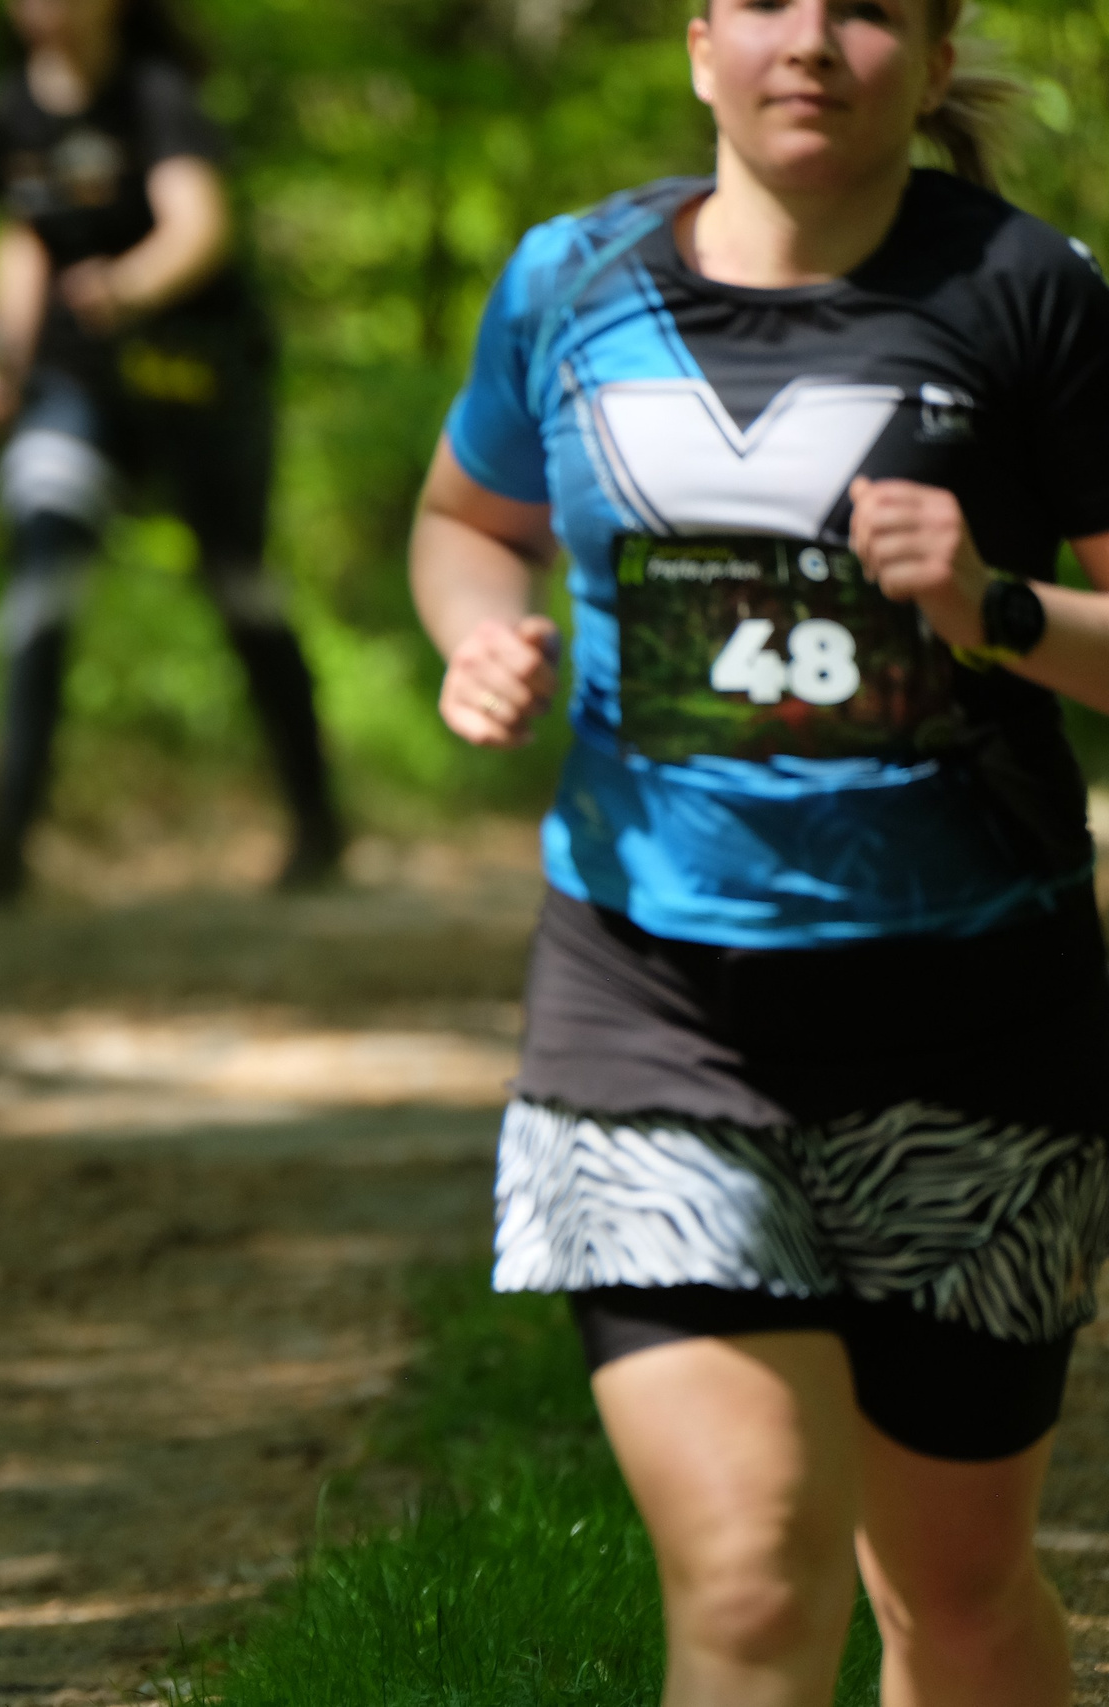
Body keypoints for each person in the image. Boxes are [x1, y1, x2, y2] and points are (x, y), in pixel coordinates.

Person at [413, 0, 1109, 1694]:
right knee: (742, 1579)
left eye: (868, 7)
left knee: (950, 1593)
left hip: (977, 1021)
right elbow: (464, 520)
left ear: (933, 63)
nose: (814, 38)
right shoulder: (567, 281)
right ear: (699, 43)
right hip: (652, 1012)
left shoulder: (1027, 291)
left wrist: (993, 606)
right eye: (770, 1)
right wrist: (477, 633)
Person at [0, 0, 341, 900]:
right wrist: (2, 360)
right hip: (77, 386)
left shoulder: (157, 96)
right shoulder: (13, 106)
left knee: (241, 587)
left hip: (198, 382)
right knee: (44, 567)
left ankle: (318, 820)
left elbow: (199, 227)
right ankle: (7, 833)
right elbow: (24, 238)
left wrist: (126, 284)